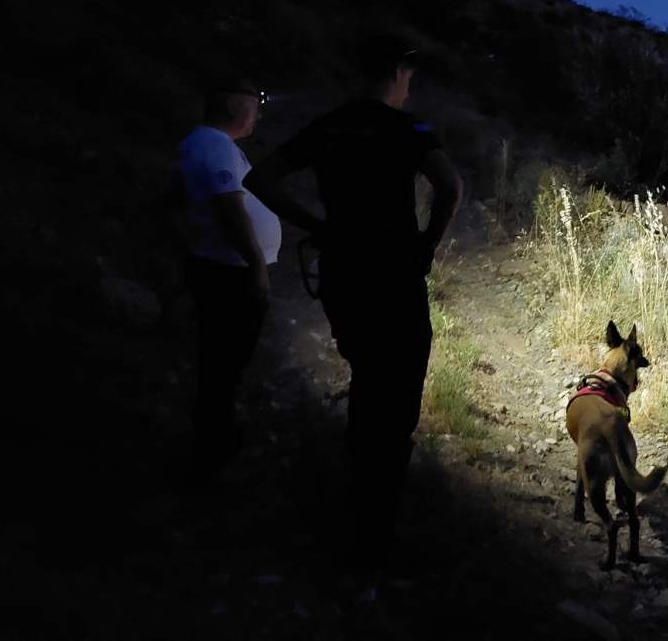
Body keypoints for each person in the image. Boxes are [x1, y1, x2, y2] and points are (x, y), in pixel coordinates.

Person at [244, 37, 462, 574]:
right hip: (394, 275)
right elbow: (450, 187)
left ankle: (360, 498)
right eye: (408, 77)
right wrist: (426, 246)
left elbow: (260, 178)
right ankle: (377, 528)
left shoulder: (331, 125)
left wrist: (318, 226)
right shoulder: (407, 130)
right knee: (399, 393)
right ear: (394, 73)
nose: (409, 86)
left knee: (367, 378)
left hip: (345, 273)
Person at [178, 77, 281, 477]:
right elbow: (229, 207)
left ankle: (216, 440)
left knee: (222, 362)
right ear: (232, 107)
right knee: (224, 363)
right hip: (228, 275)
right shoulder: (214, 145)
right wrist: (256, 264)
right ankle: (214, 453)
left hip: (219, 268)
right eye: (254, 103)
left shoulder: (204, 144)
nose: (259, 110)